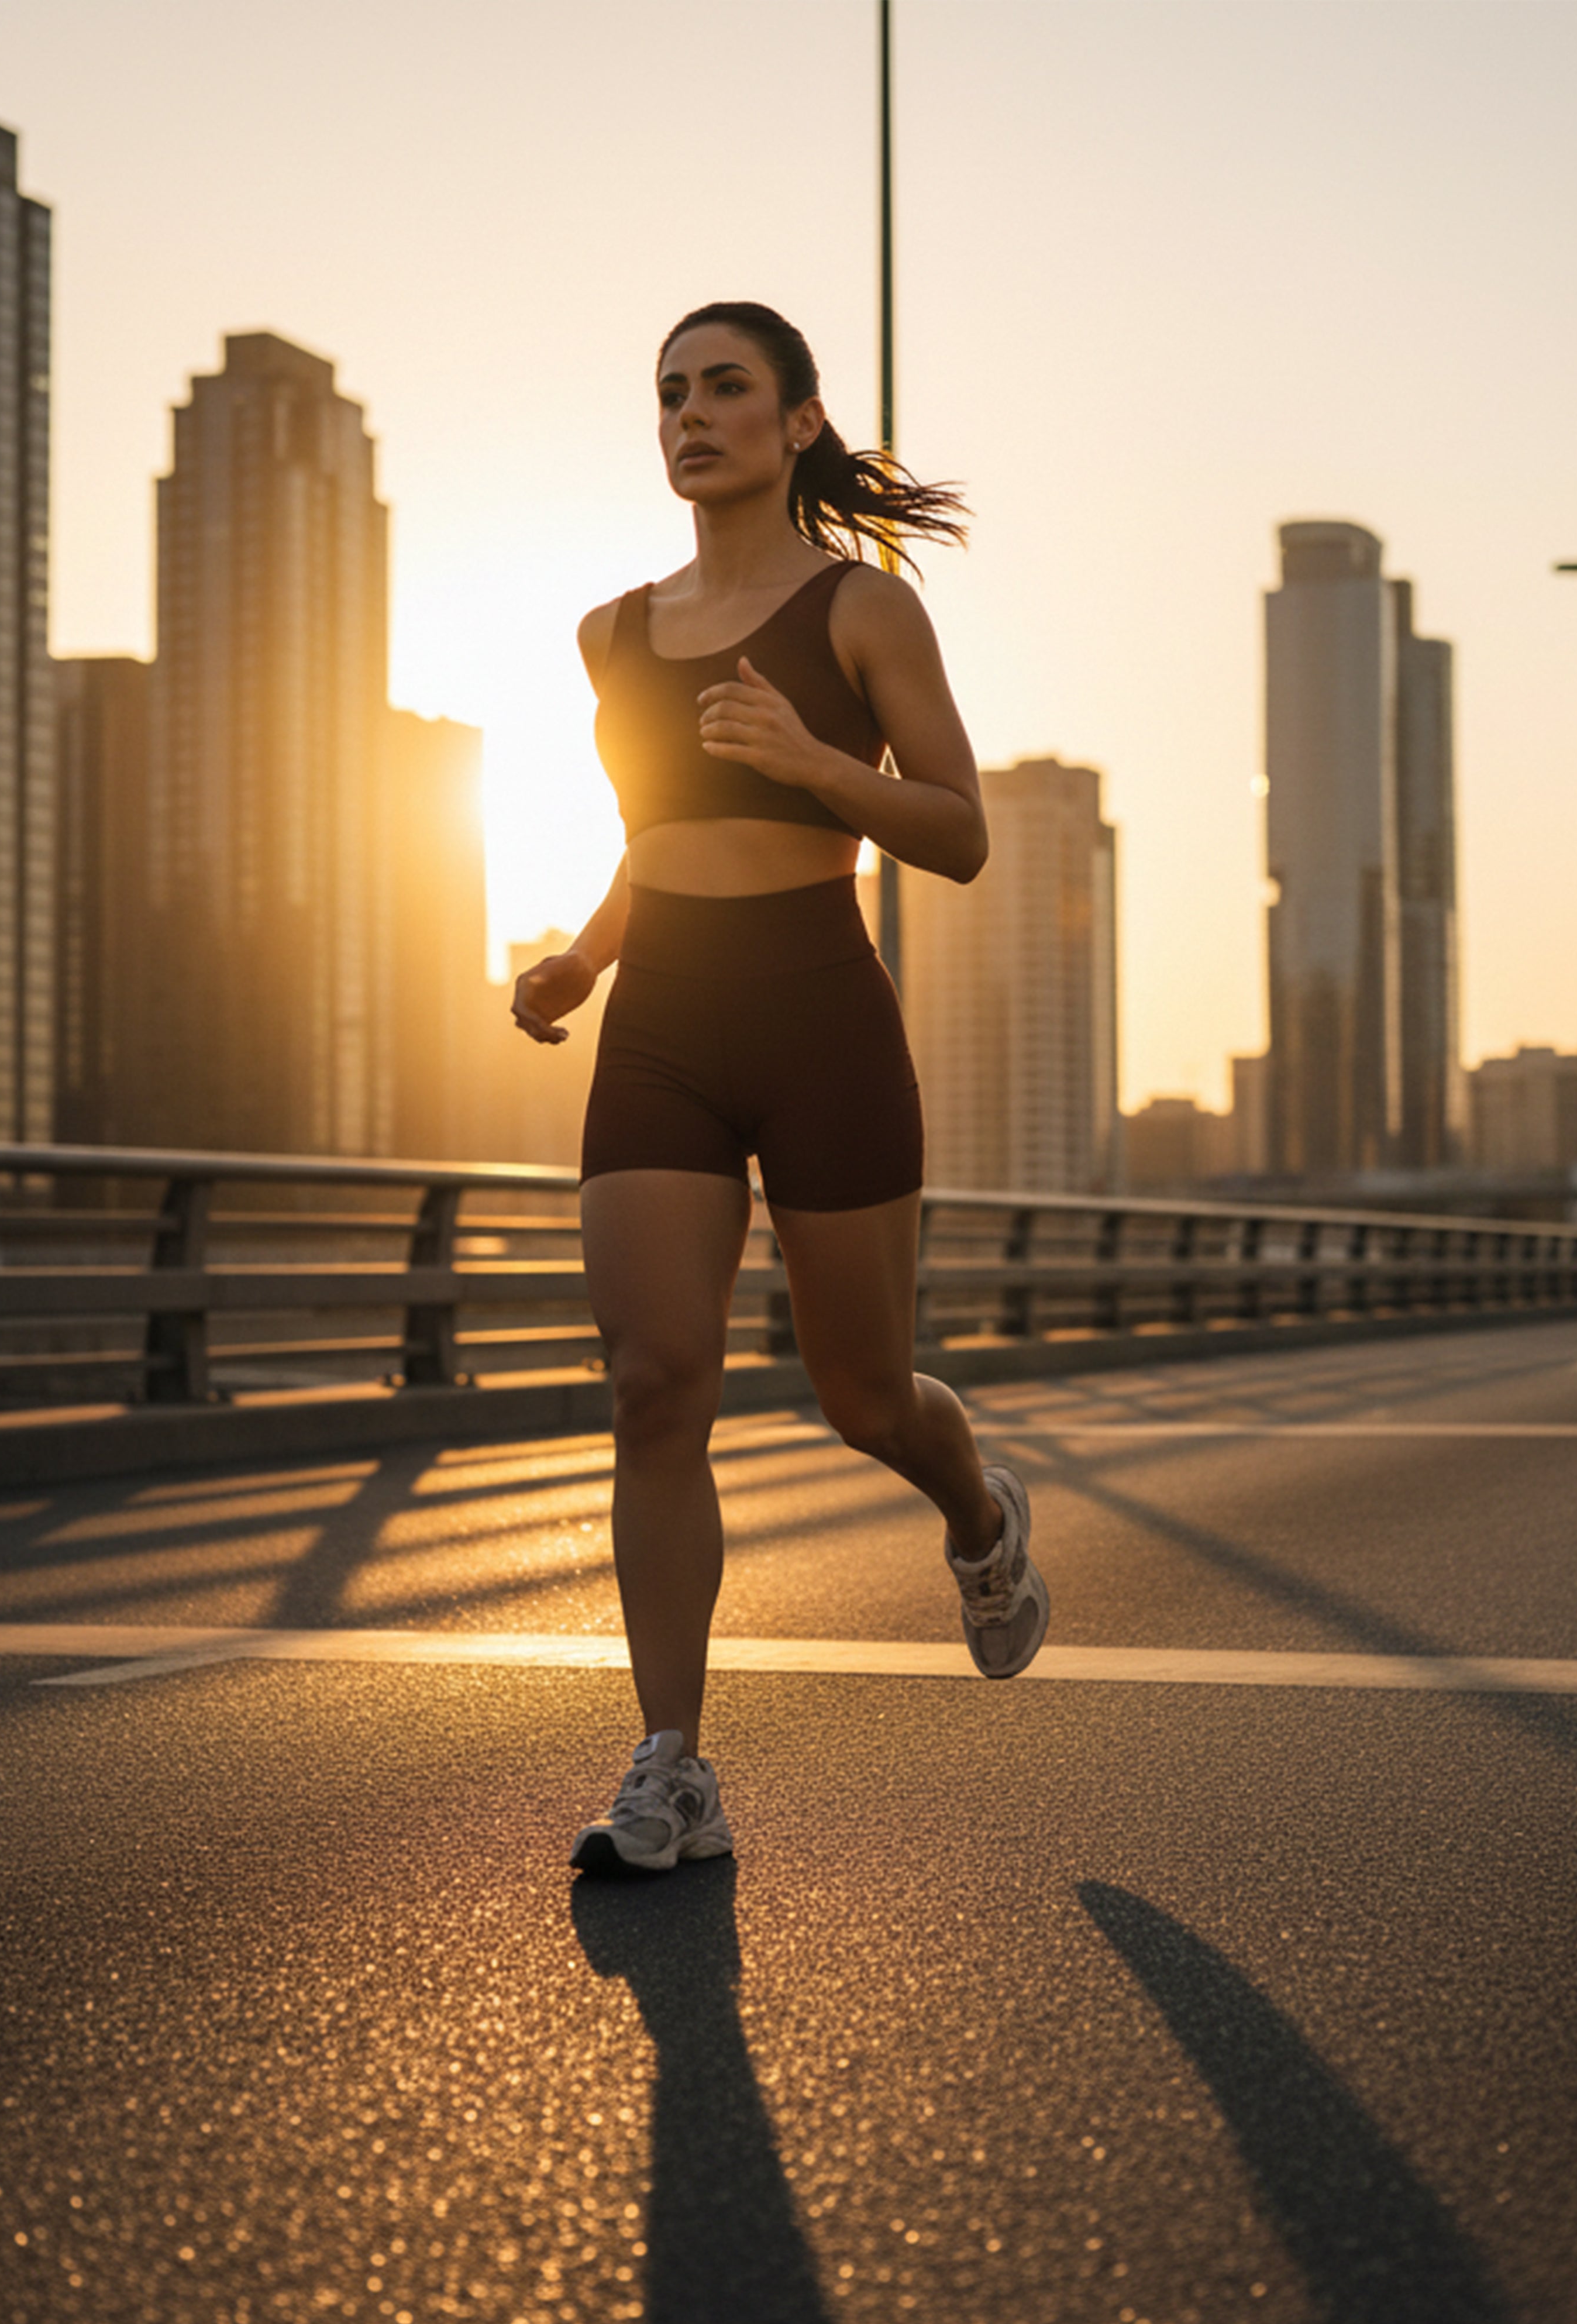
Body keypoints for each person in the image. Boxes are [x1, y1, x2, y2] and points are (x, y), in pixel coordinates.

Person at [512, 301, 1049, 1879]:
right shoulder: (612, 633)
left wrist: (817, 765)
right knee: (654, 1383)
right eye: (670, 392)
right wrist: (584, 959)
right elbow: (653, 838)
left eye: (726, 387)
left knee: (863, 1396)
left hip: (821, 1010)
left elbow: (956, 832)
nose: (692, 414)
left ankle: (978, 1508)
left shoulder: (862, 612)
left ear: (799, 420)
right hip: (666, 1023)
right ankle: (672, 1765)